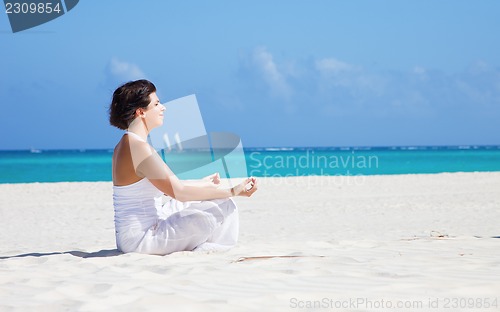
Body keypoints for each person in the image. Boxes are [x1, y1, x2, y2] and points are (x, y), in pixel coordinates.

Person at [108, 79, 258, 255]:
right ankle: (210, 249)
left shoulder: (127, 143)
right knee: (225, 204)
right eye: (156, 104)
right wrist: (233, 191)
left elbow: (166, 187)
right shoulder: (139, 148)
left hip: (134, 235)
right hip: (142, 240)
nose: (163, 108)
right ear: (141, 112)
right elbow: (178, 192)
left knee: (205, 198)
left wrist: (202, 183)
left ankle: (202, 243)